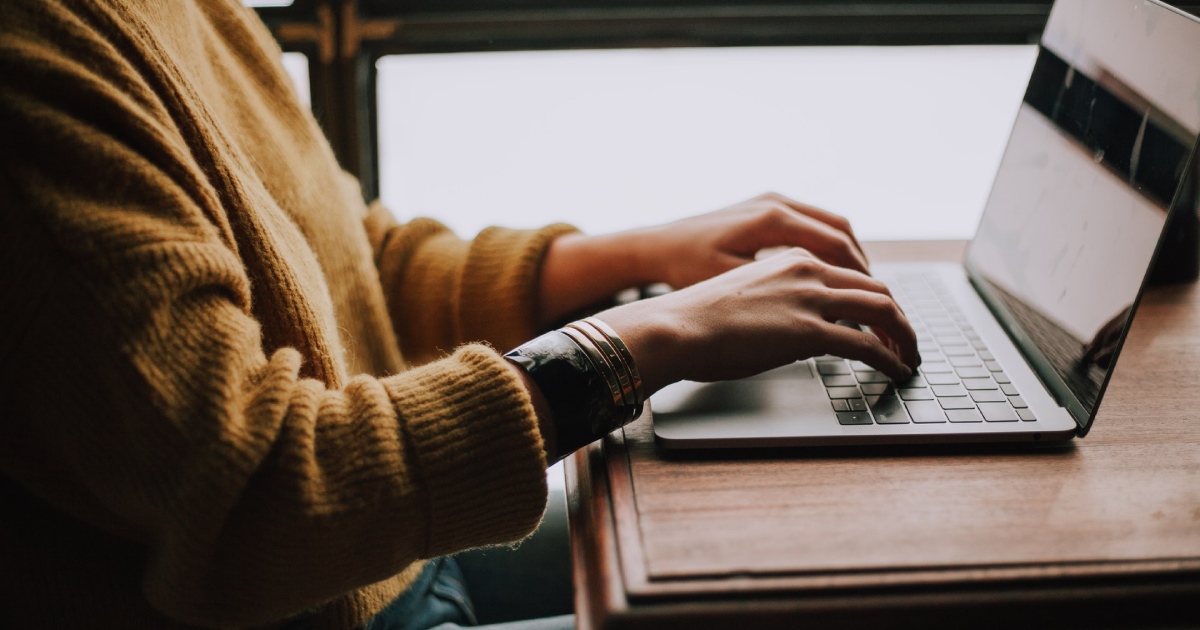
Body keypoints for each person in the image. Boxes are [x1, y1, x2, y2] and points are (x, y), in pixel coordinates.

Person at [0, 1, 919, 629]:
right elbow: (256, 498)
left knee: (817, 555)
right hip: (327, 600)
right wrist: (645, 340)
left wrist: (639, 257)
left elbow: (347, 267)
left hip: (382, 564)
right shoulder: (33, 69)